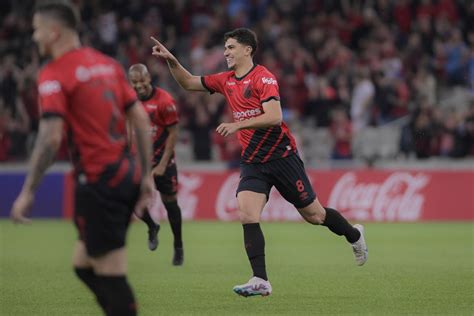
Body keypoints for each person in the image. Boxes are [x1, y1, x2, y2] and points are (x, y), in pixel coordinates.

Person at [150, 28, 368, 297]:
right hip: (253, 161)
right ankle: (260, 279)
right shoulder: (226, 80)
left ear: (247, 49)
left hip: (282, 157)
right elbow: (188, 82)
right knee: (247, 213)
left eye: (231, 47)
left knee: (315, 215)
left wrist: (237, 124)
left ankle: (354, 236)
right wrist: (172, 60)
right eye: (225, 47)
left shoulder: (264, 78)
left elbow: (274, 116)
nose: (226, 52)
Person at [10, 1, 153, 315]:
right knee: (83, 265)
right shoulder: (108, 65)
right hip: (124, 173)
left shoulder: (54, 74)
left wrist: (28, 191)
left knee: (111, 274)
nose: (33, 36)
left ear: (53, 31)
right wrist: (145, 176)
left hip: (101, 181)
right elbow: (141, 121)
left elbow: (50, 137)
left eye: (37, 29)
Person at [128, 63, 184, 265]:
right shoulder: (129, 101)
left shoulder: (165, 101)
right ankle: (152, 226)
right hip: (139, 163)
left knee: (170, 203)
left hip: (163, 161)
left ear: (148, 78)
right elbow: (127, 128)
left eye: (141, 80)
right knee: (134, 203)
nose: (139, 86)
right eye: (134, 82)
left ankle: (178, 246)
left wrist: (161, 165)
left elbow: (173, 133)